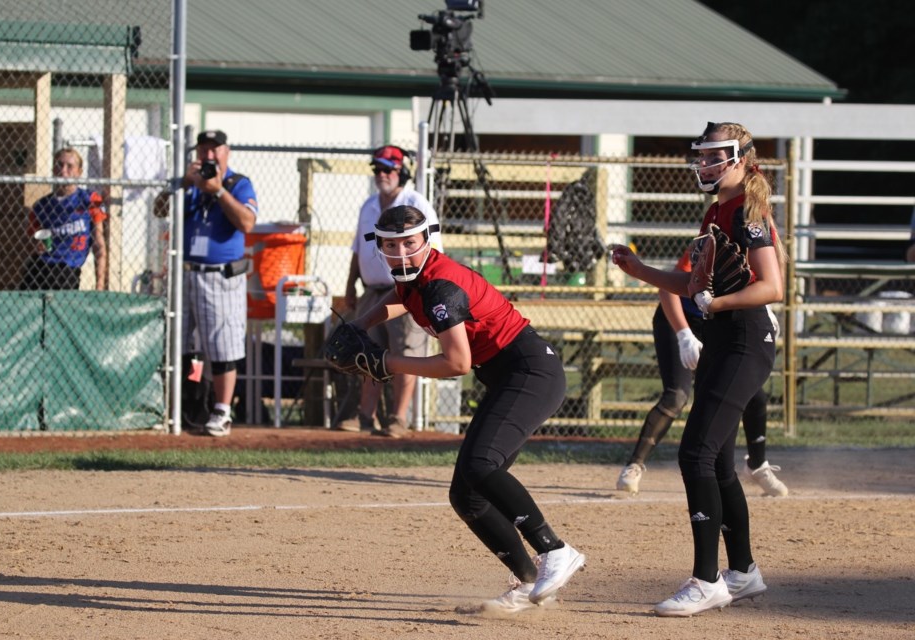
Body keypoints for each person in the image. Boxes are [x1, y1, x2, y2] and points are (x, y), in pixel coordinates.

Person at [347, 204, 586, 613]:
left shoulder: (441, 285)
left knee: (480, 466)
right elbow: (401, 297)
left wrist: (389, 363)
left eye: (410, 243)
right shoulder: (418, 277)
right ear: (378, 247)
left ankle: (556, 550)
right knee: (467, 496)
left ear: (427, 240)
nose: (402, 253)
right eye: (390, 245)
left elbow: (456, 364)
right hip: (508, 376)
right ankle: (527, 585)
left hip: (530, 373)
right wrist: (360, 324)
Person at [611, 121, 785, 617]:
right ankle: (744, 572)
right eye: (702, 156)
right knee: (718, 460)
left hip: (745, 338)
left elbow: (771, 286)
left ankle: (707, 580)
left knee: (696, 454)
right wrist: (639, 269)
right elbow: (691, 286)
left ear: (742, 159)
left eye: (715, 156)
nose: (705, 164)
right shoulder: (717, 210)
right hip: (725, 338)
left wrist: (719, 301)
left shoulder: (748, 211)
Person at [616, 291, 788, 498]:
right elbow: (668, 288)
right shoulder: (703, 256)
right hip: (680, 317)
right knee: (677, 396)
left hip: (718, 321)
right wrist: (684, 334)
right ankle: (635, 464)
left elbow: (767, 284)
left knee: (753, 395)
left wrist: (764, 309)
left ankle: (757, 466)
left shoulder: (757, 257)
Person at [336, 145, 442, 438]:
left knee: (405, 351)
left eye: (388, 169)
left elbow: (434, 252)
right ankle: (364, 416)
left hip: (407, 292)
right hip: (372, 290)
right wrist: (349, 287)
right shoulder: (368, 205)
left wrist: (422, 293)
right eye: (378, 170)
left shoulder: (416, 203)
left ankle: (397, 418)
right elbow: (358, 251)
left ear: (402, 173)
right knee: (367, 353)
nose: (381, 175)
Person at [179, 129, 258, 437]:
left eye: (215, 150)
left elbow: (247, 222)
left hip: (220, 276)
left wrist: (217, 191)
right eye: (203, 150)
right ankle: (189, 405)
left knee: (222, 345)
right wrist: (187, 183)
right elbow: (160, 209)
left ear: (227, 152)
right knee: (185, 346)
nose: (209, 156)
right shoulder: (190, 184)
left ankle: (222, 411)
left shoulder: (237, 184)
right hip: (186, 273)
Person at [20, 148, 107, 291]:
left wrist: (100, 285)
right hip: (42, 264)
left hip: (67, 267)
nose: (63, 170)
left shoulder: (89, 200)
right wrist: (36, 245)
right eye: (59, 165)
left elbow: (99, 242)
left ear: (79, 172)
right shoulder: (42, 205)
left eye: (70, 166)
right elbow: (30, 242)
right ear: (53, 169)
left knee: (61, 281)